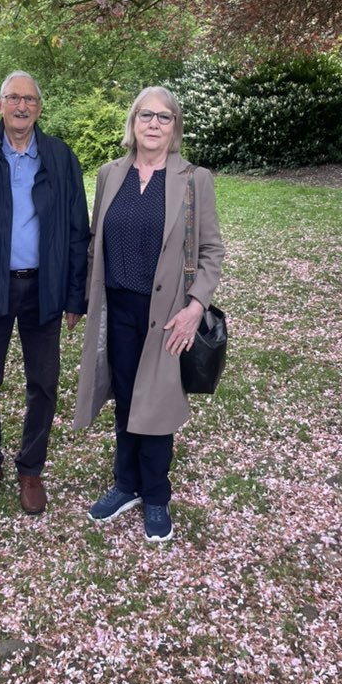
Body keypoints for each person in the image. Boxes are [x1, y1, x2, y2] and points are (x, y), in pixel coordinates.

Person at [73, 86, 224, 543]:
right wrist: (82, 300)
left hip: (167, 313)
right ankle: (126, 484)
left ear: (175, 126)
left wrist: (195, 307)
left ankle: (156, 493)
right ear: (133, 122)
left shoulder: (194, 179)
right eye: (146, 115)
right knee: (124, 395)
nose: (154, 124)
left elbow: (211, 250)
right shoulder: (110, 174)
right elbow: (96, 241)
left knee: (156, 401)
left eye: (164, 117)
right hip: (117, 307)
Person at [0, 71, 90, 515]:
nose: (22, 106)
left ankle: (31, 469)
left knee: (43, 384)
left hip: (43, 287)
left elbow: (78, 230)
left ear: (39, 108)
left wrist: (75, 296)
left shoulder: (60, 157)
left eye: (30, 99)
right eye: (14, 98)